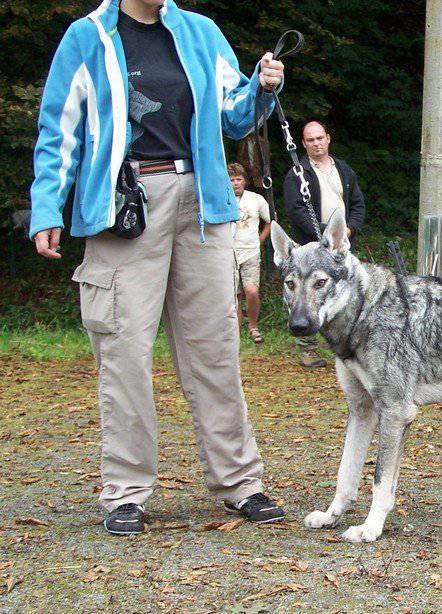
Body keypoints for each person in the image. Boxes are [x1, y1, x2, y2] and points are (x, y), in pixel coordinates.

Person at [30, 0, 287, 535]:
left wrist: (262, 87)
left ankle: (241, 483)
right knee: (123, 351)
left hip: (204, 203)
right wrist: (47, 207)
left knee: (216, 348)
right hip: (123, 207)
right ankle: (126, 492)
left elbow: (236, 115)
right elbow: (59, 128)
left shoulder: (200, 32)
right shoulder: (87, 37)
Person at [283, 120, 366, 368]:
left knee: (343, 294)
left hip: (341, 244)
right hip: (308, 247)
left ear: (328, 138)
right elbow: (295, 210)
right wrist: (323, 235)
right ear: (303, 144)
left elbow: (357, 204)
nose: (316, 143)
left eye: (320, 138)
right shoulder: (297, 173)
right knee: (305, 295)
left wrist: (348, 230)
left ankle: (348, 344)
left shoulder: (343, 169)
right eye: (310, 140)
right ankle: (308, 348)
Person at [229, 163, 271, 343]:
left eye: (239, 179)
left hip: (251, 252)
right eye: (232, 180)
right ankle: (235, 333)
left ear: (245, 181)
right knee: (235, 296)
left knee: (251, 291)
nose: (235, 183)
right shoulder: (223, 199)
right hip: (229, 253)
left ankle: (253, 326)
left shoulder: (256, 199)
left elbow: (270, 221)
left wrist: (260, 240)